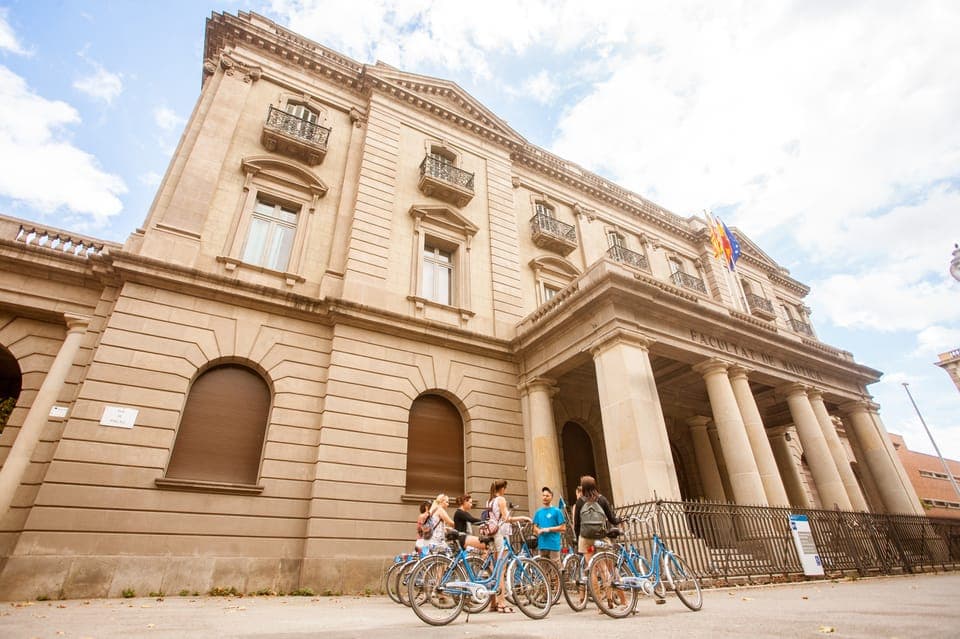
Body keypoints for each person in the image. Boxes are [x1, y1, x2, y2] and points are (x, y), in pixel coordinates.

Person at [486, 479, 529, 614]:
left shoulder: (489, 501)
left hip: (492, 535)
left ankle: (493, 604)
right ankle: (502, 604)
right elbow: (506, 518)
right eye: (505, 488)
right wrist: (522, 517)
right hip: (501, 535)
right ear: (503, 488)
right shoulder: (501, 500)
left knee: (494, 570)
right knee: (502, 570)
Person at [573, 475, 618, 564]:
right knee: (606, 566)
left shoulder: (580, 502)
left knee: (592, 567)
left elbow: (577, 524)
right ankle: (609, 577)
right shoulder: (602, 499)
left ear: (583, 487)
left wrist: (579, 539)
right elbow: (612, 519)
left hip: (585, 538)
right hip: (600, 536)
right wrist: (620, 520)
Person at [532, 486, 566, 563]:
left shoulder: (557, 511)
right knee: (543, 571)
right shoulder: (538, 512)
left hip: (553, 544)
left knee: (555, 570)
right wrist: (539, 530)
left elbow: (563, 528)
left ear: (551, 497)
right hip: (542, 545)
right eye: (543, 495)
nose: (545, 497)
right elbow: (534, 528)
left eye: (547, 496)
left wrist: (549, 529)